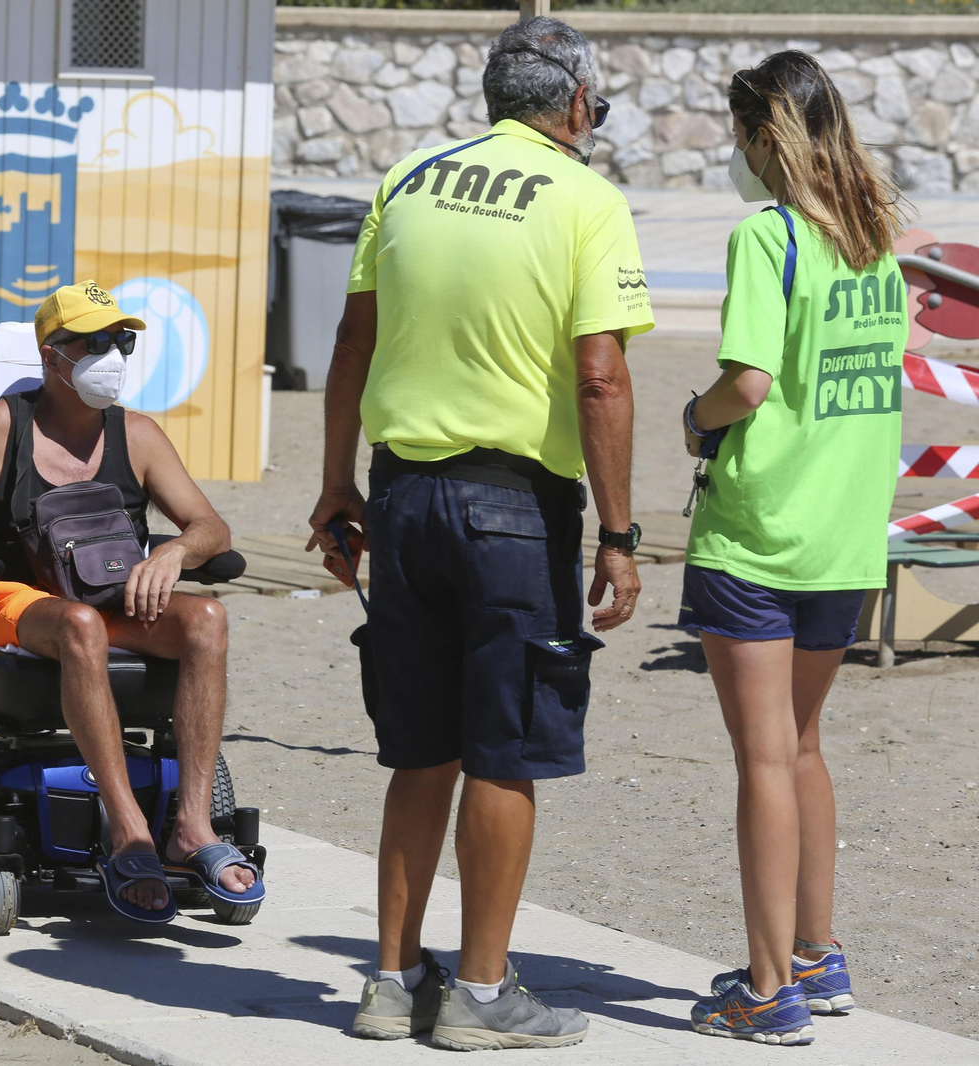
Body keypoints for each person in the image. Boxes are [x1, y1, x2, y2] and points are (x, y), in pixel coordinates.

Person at [307, 16, 653, 1051]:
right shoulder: (588, 199)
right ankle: (484, 990)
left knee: (420, 751)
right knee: (504, 751)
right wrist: (621, 531)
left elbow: (350, 340)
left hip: (402, 493)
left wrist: (333, 485)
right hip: (514, 506)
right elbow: (600, 376)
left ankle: (389, 979)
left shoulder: (407, 178)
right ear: (576, 103)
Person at [0, 280, 261, 924]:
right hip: (8, 599)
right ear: (50, 352)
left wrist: (171, 554)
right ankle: (128, 832)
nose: (111, 354)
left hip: (105, 591)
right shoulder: (2, 426)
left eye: (120, 340)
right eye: (91, 342)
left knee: (206, 617)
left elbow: (212, 530)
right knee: (81, 625)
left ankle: (193, 829)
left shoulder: (137, 435)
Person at [678, 51, 907, 1046]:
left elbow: (748, 383)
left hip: (761, 532)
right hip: (847, 535)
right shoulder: (875, 238)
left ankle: (768, 989)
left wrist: (693, 417)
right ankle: (816, 951)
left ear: (757, 135)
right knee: (802, 747)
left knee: (763, 760)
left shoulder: (766, 235)